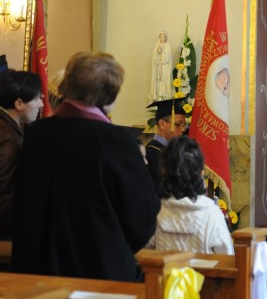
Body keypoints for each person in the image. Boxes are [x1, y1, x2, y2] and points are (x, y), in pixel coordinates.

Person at [12, 52, 160, 281]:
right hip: (98, 272)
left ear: (67, 87)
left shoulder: (36, 135)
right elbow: (143, 218)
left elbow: (21, 201)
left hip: (38, 271)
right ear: (109, 97)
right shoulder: (117, 142)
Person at [148, 136, 233, 255]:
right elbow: (227, 258)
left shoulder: (156, 212)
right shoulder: (212, 214)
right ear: (200, 173)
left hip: (164, 273)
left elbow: (145, 256)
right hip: (204, 273)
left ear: (164, 172)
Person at [0, 70, 43, 239]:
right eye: (37, 98)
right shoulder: (9, 139)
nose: (41, 104)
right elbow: (4, 198)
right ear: (19, 104)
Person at [145, 97, 188, 195]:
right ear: (162, 124)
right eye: (178, 124)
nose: (183, 130)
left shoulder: (173, 151)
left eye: (184, 125)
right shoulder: (152, 153)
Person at [150, 30, 173, 101]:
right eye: (161, 37)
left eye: (163, 37)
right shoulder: (157, 45)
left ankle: (164, 96)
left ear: (166, 38)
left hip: (165, 67)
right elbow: (154, 57)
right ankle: (158, 96)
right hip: (158, 68)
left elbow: (167, 58)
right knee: (158, 83)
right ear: (159, 38)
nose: (162, 38)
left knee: (164, 82)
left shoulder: (168, 45)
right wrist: (157, 53)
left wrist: (161, 52)